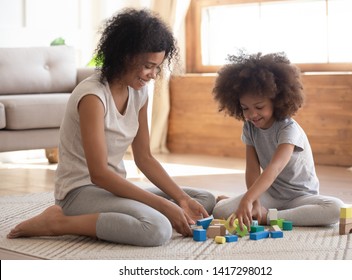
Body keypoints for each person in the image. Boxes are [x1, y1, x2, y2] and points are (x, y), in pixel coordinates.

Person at [7, 8, 215, 247]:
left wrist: (180, 198)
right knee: (157, 228)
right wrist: (165, 205)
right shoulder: (93, 97)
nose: (153, 75)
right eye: (149, 66)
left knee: (201, 199)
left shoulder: (139, 93)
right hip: (80, 192)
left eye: (157, 67)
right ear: (126, 56)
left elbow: (144, 158)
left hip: (113, 190)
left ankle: (132, 211)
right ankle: (58, 222)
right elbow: (99, 174)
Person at [211, 51, 344, 230]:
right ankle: (264, 211)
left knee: (336, 209)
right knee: (220, 210)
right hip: (270, 195)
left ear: (277, 100)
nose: (251, 115)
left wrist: (248, 199)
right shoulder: (250, 127)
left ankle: (269, 217)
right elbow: (252, 169)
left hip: (301, 197)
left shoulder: (288, 129)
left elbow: (274, 169)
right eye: (245, 108)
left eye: (259, 107)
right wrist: (254, 200)